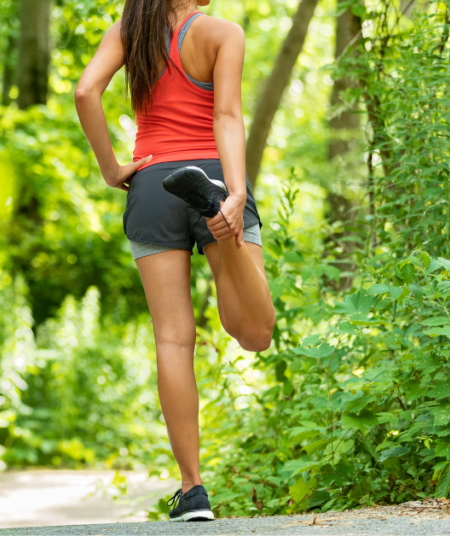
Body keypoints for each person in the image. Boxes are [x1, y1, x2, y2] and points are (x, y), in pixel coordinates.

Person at [74, 0, 276, 523]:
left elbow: (84, 91)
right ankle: (216, 216)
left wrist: (111, 168)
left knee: (172, 338)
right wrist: (234, 193)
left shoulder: (129, 30)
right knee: (252, 331)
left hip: (151, 186)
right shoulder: (221, 32)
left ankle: (192, 491)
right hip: (212, 170)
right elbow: (227, 115)